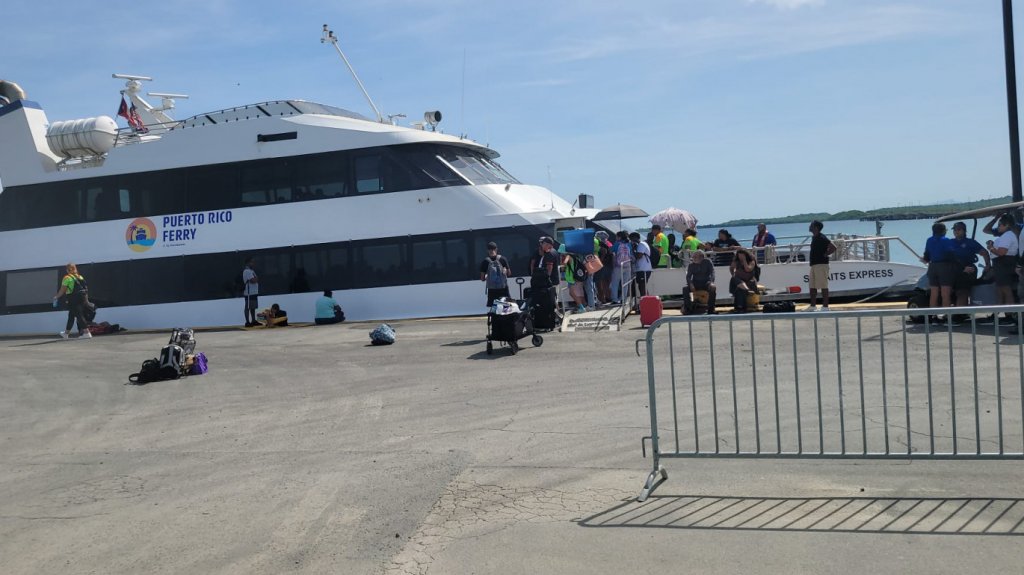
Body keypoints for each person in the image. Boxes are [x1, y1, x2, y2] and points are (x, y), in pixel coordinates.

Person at [985, 213, 1018, 325]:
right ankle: (998, 314)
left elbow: (1001, 252)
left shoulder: (1008, 235)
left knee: (1006, 290)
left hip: (1004, 264)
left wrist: (991, 248)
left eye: (1000, 225)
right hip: (1000, 265)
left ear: (1007, 225)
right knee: (1000, 291)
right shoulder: (1005, 235)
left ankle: (1012, 316)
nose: (998, 227)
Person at [949, 221, 990, 308]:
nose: (956, 231)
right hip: (954, 269)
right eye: (955, 230)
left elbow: (984, 253)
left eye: (959, 229)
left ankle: (960, 314)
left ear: (964, 231)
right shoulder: (950, 242)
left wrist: (987, 265)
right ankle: (953, 311)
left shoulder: (970, 242)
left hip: (968, 268)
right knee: (950, 291)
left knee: (962, 291)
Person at [921, 223, 956, 312]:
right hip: (944, 267)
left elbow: (926, 256)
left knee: (934, 293)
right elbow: (951, 255)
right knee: (945, 293)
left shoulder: (929, 240)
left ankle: (933, 315)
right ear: (943, 231)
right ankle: (946, 315)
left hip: (932, 267)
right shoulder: (946, 240)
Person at [52, 262, 91, 339]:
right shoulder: (80, 277)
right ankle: (66, 334)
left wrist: (56, 297)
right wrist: (86, 300)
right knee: (71, 315)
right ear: (75, 269)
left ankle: (87, 333)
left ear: (67, 270)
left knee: (79, 315)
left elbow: (62, 290)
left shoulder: (67, 278)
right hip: (82, 298)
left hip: (73, 299)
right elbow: (86, 290)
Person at [804, 220, 836, 312]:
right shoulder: (815, 237)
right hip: (814, 265)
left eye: (811, 225)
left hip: (821, 264)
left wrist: (826, 254)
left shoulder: (822, 237)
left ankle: (825, 307)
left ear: (816, 228)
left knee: (823, 286)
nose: (809, 226)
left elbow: (833, 247)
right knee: (812, 286)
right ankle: (813, 306)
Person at [683, 250, 717, 315]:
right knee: (685, 289)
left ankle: (711, 309)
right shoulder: (691, 265)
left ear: (701, 257)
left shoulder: (707, 262)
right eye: (693, 257)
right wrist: (690, 284)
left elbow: (712, 272)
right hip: (695, 283)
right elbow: (688, 277)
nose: (693, 258)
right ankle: (688, 309)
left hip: (706, 282)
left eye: (695, 257)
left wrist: (712, 282)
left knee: (713, 288)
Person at [479, 241, 511, 307]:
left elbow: (482, 278)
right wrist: (504, 271)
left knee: (493, 308)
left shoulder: (485, 262)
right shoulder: (503, 259)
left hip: (492, 290)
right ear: (496, 249)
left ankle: (494, 317)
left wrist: (487, 276)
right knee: (506, 306)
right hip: (503, 289)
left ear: (487, 250)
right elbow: (509, 274)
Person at [729, 248, 759, 313]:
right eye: (739, 256)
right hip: (739, 281)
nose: (740, 257)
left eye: (741, 256)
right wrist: (733, 273)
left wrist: (744, 260)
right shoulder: (736, 261)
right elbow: (731, 268)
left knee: (740, 289)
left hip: (749, 282)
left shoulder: (751, 261)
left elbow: (748, 269)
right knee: (734, 279)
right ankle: (746, 290)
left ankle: (740, 307)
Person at [561, 247, 587, 313]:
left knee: (572, 293)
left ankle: (581, 308)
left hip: (571, 278)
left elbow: (564, 263)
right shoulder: (575, 256)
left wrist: (562, 261)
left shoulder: (568, 256)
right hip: (577, 277)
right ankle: (583, 306)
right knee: (579, 293)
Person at [609, 231, 632, 304]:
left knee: (615, 283)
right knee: (625, 283)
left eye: (616, 236)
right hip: (627, 265)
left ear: (619, 237)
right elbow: (631, 254)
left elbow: (610, 250)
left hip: (618, 266)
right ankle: (623, 299)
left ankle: (615, 299)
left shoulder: (617, 244)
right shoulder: (629, 244)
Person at [630, 231, 653, 299]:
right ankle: (647, 301)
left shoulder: (641, 244)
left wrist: (634, 250)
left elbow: (639, 255)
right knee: (642, 286)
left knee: (642, 286)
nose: (631, 241)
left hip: (644, 269)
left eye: (632, 239)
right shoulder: (641, 244)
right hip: (642, 269)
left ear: (635, 238)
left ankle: (645, 301)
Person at [594, 231, 614, 304]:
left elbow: (603, 252)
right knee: (607, 283)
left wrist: (600, 262)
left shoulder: (601, 244)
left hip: (602, 265)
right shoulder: (609, 243)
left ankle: (603, 299)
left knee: (601, 283)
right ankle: (608, 297)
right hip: (610, 265)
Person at [242, 258, 260, 327]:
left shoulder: (251, 271)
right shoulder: (247, 271)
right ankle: (247, 322)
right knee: (247, 307)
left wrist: (255, 278)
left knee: (253, 307)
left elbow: (256, 278)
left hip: (253, 292)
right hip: (249, 292)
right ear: (248, 263)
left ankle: (253, 320)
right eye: (251, 262)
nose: (253, 263)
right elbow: (253, 280)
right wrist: (255, 278)